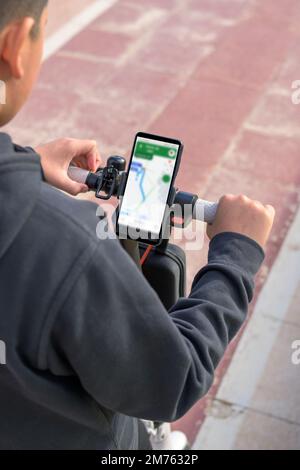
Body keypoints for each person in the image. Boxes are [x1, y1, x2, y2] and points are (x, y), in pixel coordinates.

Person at [0, 0, 275, 450]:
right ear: (15, 45)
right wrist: (237, 252)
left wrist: (22, 162)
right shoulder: (66, 245)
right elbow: (172, 379)